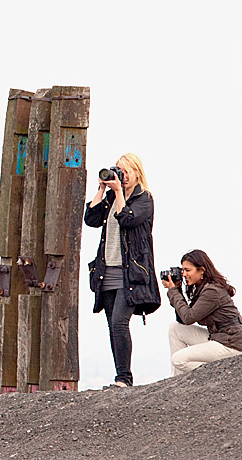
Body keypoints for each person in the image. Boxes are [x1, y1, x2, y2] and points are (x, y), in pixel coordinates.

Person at [84, 153, 160, 388]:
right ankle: (120, 375)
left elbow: (127, 219)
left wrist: (118, 193)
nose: (123, 176)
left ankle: (124, 379)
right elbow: (91, 219)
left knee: (119, 322)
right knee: (112, 325)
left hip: (132, 274)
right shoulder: (109, 196)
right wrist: (101, 189)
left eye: (127, 171)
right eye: (119, 171)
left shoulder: (144, 199)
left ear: (138, 172)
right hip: (107, 269)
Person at [161, 249, 242, 375]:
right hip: (218, 337)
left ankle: (221, 371)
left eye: (188, 270)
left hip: (230, 345)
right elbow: (183, 320)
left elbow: (189, 317)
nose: (184, 275)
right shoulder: (202, 288)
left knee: (178, 360)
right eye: (183, 270)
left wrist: (173, 291)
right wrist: (177, 290)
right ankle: (177, 380)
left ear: (202, 270)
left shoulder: (212, 291)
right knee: (175, 328)